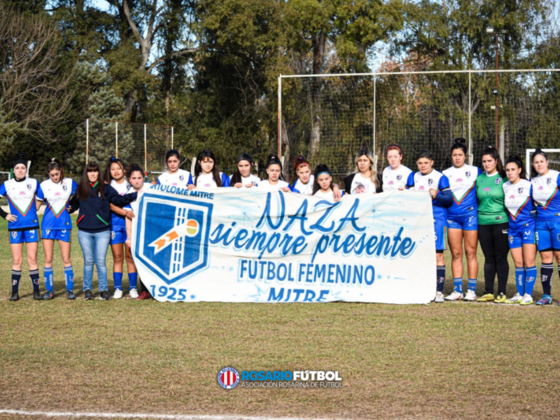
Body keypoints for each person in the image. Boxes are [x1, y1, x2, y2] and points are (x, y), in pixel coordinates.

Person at [69, 162, 137, 301]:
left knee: (100, 261)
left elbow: (119, 200)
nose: (92, 174)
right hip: (84, 231)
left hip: (103, 231)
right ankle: (87, 290)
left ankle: (103, 290)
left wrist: (136, 194)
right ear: (86, 173)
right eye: (90, 171)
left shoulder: (106, 188)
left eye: (95, 171)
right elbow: (74, 204)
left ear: (99, 173)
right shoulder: (81, 188)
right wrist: (68, 207)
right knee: (88, 261)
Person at [406, 150, 453, 303]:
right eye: (420, 163)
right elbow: (409, 197)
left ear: (432, 162)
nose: (423, 166)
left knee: (438, 255)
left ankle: (439, 291)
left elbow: (449, 199)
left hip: (437, 219)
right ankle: (422, 287)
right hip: (419, 220)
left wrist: (436, 195)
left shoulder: (440, 177)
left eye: (426, 163)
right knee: (419, 253)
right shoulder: (412, 177)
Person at [0, 155, 44, 301]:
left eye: (23, 168)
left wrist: (33, 211)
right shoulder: (7, 184)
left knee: (32, 259)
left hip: (32, 226)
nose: (20, 170)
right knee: (17, 260)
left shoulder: (34, 183)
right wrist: (4, 215)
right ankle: (15, 292)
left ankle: (36, 291)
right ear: (14, 170)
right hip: (15, 227)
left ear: (26, 169)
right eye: (17, 168)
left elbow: (41, 197)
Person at [443, 138, 481, 301]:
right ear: (451, 157)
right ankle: (457, 290)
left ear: (466, 156)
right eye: (454, 155)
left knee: (470, 252)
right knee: (456, 253)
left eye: (460, 154)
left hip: (470, 217)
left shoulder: (475, 171)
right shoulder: (445, 173)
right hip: (452, 218)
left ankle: (471, 290)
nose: (457, 157)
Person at [475, 147, 509, 303]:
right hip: (483, 223)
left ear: (496, 161)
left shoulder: (504, 178)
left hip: (501, 222)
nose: (486, 164)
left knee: (500, 257)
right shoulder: (479, 179)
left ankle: (501, 292)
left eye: (489, 161)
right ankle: (488, 291)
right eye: (484, 161)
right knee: (488, 258)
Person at [40, 158, 78, 300]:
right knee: (48, 258)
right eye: (52, 174)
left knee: (66, 258)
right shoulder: (43, 185)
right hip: (48, 225)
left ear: (61, 171)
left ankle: (70, 290)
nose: (55, 177)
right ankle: (49, 291)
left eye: (57, 173)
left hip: (64, 224)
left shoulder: (69, 183)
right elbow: (36, 204)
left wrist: (73, 206)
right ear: (48, 174)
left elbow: (80, 194)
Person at [503, 155, 537, 305]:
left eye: (513, 170)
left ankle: (528, 295)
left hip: (528, 228)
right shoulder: (505, 186)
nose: (510, 173)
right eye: (507, 170)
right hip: (513, 230)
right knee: (518, 262)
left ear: (520, 170)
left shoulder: (529, 185)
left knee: (529, 262)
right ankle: (519, 293)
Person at [530, 149, 560, 306]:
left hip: (557, 222)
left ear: (547, 162)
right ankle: (547, 295)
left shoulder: (556, 176)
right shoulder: (532, 181)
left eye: (541, 161)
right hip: (540, 224)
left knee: (559, 257)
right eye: (536, 162)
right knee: (546, 259)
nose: (539, 164)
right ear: (533, 165)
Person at [104, 157, 132, 299]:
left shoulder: (131, 183)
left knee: (130, 256)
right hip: (114, 224)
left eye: (118, 168)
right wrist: (124, 212)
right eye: (113, 169)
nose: (116, 171)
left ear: (124, 169)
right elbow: (110, 205)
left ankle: (133, 288)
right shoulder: (107, 185)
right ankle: (118, 289)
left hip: (131, 225)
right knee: (117, 257)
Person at [124, 164, 153, 300]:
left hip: (153, 230)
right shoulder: (128, 195)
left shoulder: (152, 189)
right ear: (129, 179)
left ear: (143, 178)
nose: (137, 180)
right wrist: (129, 237)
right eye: (134, 178)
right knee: (141, 261)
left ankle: (157, 288)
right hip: (138, 233)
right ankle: (144, 290)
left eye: (139, 178)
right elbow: (128, 217)